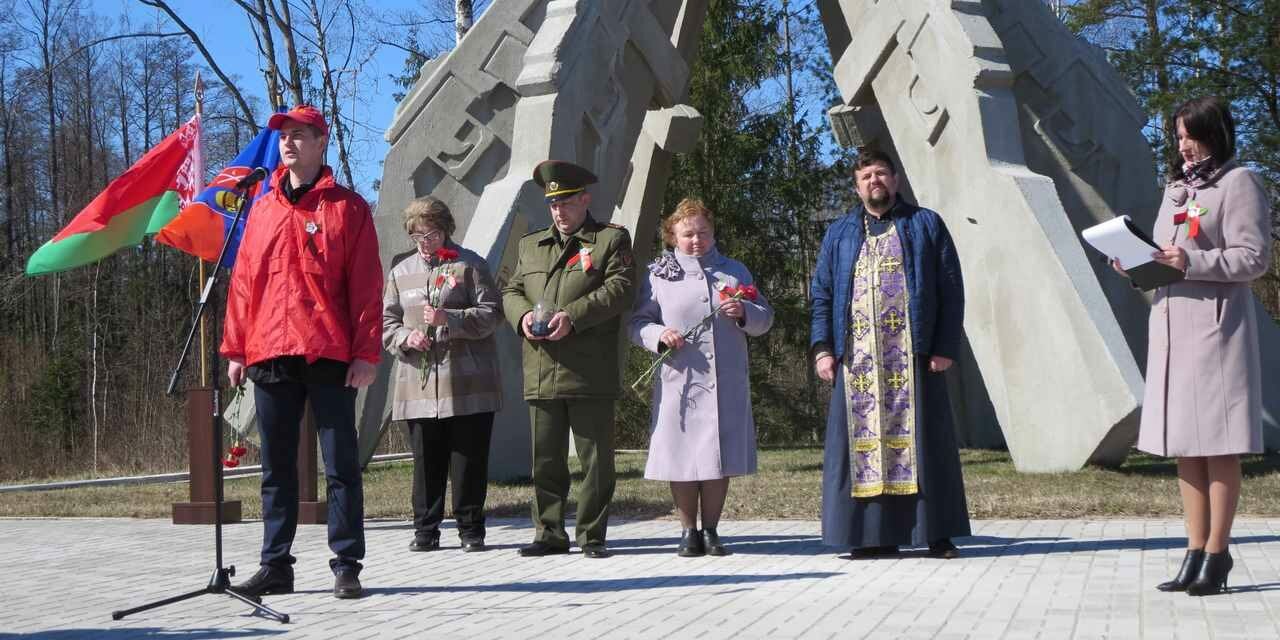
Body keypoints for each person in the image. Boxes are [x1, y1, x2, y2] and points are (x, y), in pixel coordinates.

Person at [222, 104, 382, 599]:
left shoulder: (348, 208)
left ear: (320, 142)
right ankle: (276, 565)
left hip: (331, 352)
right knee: (276, 468)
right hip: (270, 350)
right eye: (284, 136)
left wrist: (366, 352)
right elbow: (244, 283)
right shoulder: (263, 208)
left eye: (298, 135)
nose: (287, 144)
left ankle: (347, 563)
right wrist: (235, 348)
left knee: (340, 464)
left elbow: (365, 286)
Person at [1115, 96, 1271, 596]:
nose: (1184, 145)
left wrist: (1191, 262)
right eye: (1179, 136)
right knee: (1185, 446)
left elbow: (1253, 258)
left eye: (1192, 135)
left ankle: (1218, 553)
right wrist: (1137, 263)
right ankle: (1193, 548)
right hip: (1171, 327)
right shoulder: (1176, 190)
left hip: (1216, 328)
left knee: (1217, 444)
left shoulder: (1239, 182)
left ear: (1215, 134)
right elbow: (1169, 253)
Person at [809, 149, 970, 559]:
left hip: (913, 357)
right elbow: (823, 295)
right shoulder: (840, 233)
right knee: (860, 450)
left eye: (881, 173)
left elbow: (951, 289)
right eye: (866, 176)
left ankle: (936, 534)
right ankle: (871, 537)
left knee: (926, 444)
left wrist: (944, 347)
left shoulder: (925, 224)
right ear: (856, 185)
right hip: (858, 361)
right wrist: (824, 349)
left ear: (895, 180)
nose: (874, 181)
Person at [501, 160, 635, 559]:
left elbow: (622, 289)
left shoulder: (610, 239)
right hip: (540, 367)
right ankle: (549, 532)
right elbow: (511, 289)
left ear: (584, 199)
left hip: (588, 369)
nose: (558, 211)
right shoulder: (531, 244)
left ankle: (591, 535)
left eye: (566, 202)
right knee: (545, 459)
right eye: (552, 203)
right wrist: (522, 316)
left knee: (595, 461)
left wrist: (572, 318)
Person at [628, 198, 773, 557]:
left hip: (725, 381)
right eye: (688, 234)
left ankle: (711, 530)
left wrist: (745, 313)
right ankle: (686, 530)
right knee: (682, 456)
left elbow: (765, 319)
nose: (696, 240)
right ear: (672, 235)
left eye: (703, 233)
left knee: (716, 457)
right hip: (681, 380)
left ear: (713, 232)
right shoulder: (657, 274)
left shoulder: (734, 270)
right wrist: (659, 334)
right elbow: (637, 323)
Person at [382, 196, 502, 553]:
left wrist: (450, 319)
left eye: (431, 233)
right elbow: (387, 323)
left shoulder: (470, 265)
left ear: (446, 229)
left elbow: (493, 314)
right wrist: (406, 336)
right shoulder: (400, 273)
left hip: (467, 383)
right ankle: (425, 530)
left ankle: (470, 530)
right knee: (426, 463)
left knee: (467, 461)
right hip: (417, 388)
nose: (425, 242)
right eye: (417, 236)